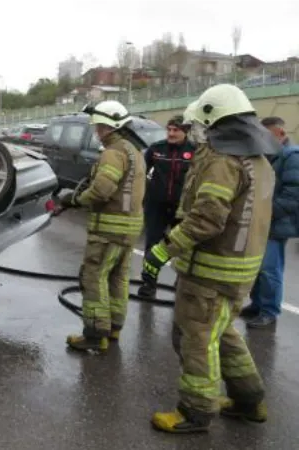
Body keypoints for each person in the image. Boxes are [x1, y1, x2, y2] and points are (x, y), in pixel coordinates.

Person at [143, 84, 280, 433]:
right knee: (223, 333)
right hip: (240, 269)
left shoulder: (223, 161)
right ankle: (250, 401)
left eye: (200, 126)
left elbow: (207, 218)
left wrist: (163, 248)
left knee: (196, 337)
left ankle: (195, 411)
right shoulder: (259, 161)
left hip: (211, 270)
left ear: (213, 119)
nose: (197, 134)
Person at [59, 100, 147, 351]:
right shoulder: (134, 151)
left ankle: (96, 335)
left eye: (100, 126)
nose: (97, 131)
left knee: (94, 276)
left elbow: (101, 190)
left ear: (112, 126)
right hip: (129, 228)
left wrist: (75, 199)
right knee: (118, 278)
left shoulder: (113, 152)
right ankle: (114, 328)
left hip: (109, 229)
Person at [239, 116, 299, 329]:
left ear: (280, 134)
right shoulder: (268, 154)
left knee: (269, 269)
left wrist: (266, 213)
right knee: (257, 266)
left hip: (275, 223)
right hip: (262, 221)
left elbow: (293, 196)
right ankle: (257, 305)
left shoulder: (292, 157)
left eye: (266, 134)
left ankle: (269, 311)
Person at [137, 115, 196, 299]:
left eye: (175, 130)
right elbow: (141, 172)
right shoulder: (156, 149)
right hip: (156, 206)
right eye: (169, 129)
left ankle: (182, 285)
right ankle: (149, 283)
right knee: (152, 245)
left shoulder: (196, 151)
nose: (171, 133)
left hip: (183, 209)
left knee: (183, 247)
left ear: (185, 131)